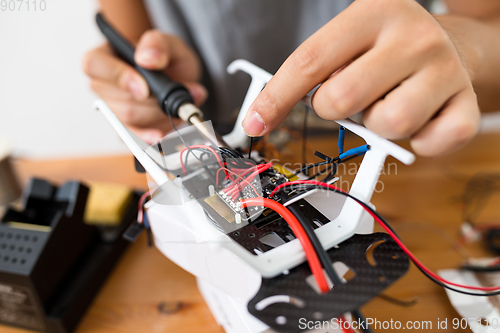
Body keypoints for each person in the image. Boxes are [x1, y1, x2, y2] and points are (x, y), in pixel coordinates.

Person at [83, 0, 500, 156]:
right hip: (216, 166)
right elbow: (137, 58)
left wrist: (461, 47)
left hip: (409, 168)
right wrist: (144, 97)